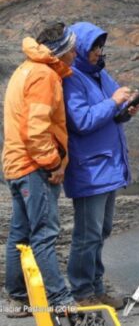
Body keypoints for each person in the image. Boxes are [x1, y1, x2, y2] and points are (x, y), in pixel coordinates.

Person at [3, 21, 77, 318]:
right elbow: (36, 130)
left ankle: (20, 299)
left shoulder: (26, 69)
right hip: (34, 167)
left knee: (20, 235)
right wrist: (53, 164)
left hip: (15, 164)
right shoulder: (44, 76)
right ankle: (61, 300)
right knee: (44, 234)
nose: (76, 52)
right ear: (60, 50)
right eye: (72, 48)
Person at [62, 22, 138, 310]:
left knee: (102, 230)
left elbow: (111, 114)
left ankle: (95, 287)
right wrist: (113, 102)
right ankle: (82, 293)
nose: (98, 52)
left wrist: (126, 110)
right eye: (93, 47)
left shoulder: (101, 75)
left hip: (109, 168)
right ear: (80, 49)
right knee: (87, 233)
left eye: (100, 46)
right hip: (89, 170)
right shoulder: (71, 78)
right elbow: (81, 121)